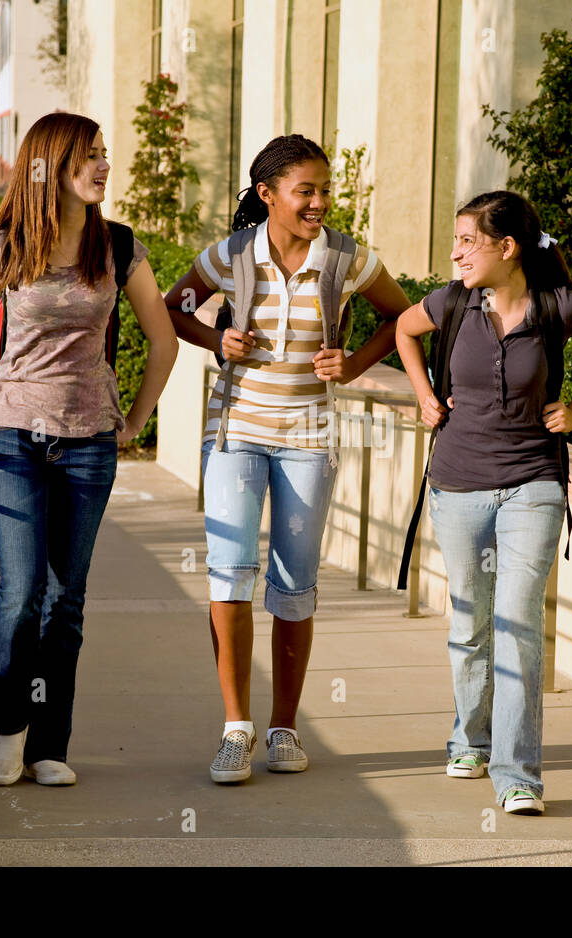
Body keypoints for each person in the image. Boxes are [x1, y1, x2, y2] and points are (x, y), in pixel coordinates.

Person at [0, 111, 178, 786]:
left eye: (104, 152)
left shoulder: (119, 246)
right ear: (50, 167)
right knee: (22, 589)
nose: (102, 165)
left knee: (68, 597)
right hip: (14, 441)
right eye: (88, 155)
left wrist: (136, 416)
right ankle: (8, 727)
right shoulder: (7, 246)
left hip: (90, 443)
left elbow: (164, 338)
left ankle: (49, 743)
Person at [165, 134, 411, 783]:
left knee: (294, 585)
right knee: (229, 575)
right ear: (268, 194)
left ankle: (284, 729)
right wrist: (219, 339)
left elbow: (405, 318)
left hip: (309, 437)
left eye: (325, 190)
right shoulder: (231, 255)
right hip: (236, 430)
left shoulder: (348, 259)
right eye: (307, 191)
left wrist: (355, 362)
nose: (320, 203)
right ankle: (234, 730)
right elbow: (171, 309)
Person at [394, 190, 572, 814]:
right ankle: (469, 739)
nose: (455, 253)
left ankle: (518, 773)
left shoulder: (560, 307)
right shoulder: (451, 302)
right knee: (471, 622)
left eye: (467, 241)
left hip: (533, 483)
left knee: (518, 623)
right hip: (457, 483)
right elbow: (402, 329)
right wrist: (424, 395)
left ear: (507, 248)